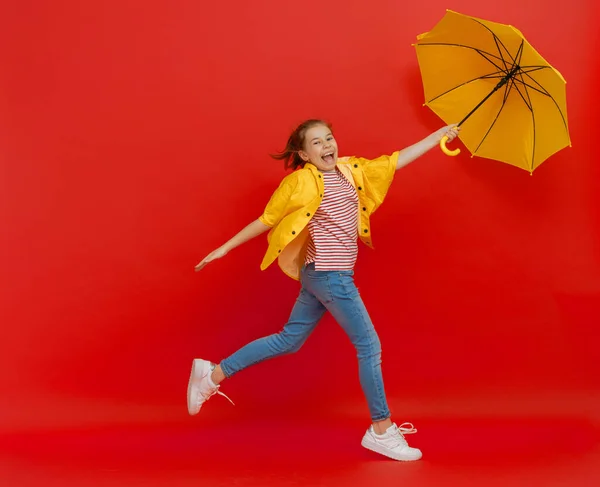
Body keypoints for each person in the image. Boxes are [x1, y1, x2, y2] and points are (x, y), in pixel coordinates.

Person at [189, 119, 460, 461]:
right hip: (330, 276)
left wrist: (438, 136)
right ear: (303, 154)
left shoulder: (351, 171)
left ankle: (212, 373)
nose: (327, 146)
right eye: (316, 143)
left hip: (321, 274)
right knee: (369, 345)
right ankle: (381, 428)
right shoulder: (301, 181)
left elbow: (393, 161)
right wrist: (225, 248)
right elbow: (268, 218)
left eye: (329, 138)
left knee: (289, 339)